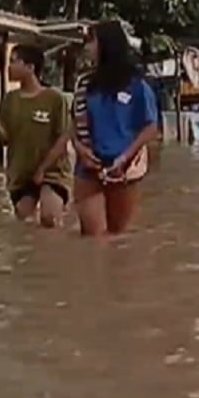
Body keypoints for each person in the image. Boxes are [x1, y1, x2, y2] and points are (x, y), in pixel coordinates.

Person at [71, 20, 160, 236]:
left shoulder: (137, 84)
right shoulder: (84, 84)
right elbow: (73, 125)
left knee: (116, 237)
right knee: (93, 238)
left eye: (92, 41)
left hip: (125, 168)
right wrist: (80, 151)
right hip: (88, 167)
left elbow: (150, 127)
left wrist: (125, 159)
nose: (87, 48)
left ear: (107, 44)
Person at [0, 44, 71, 227]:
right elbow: (6, 139)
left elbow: (63, 138)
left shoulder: (55, 99)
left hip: (52, 173)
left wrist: (42, 169)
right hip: (21, 175)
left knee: (50, 219)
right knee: (24, 224)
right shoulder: (9, 100)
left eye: (14, 61)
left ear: (31, 67)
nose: (9, 67)